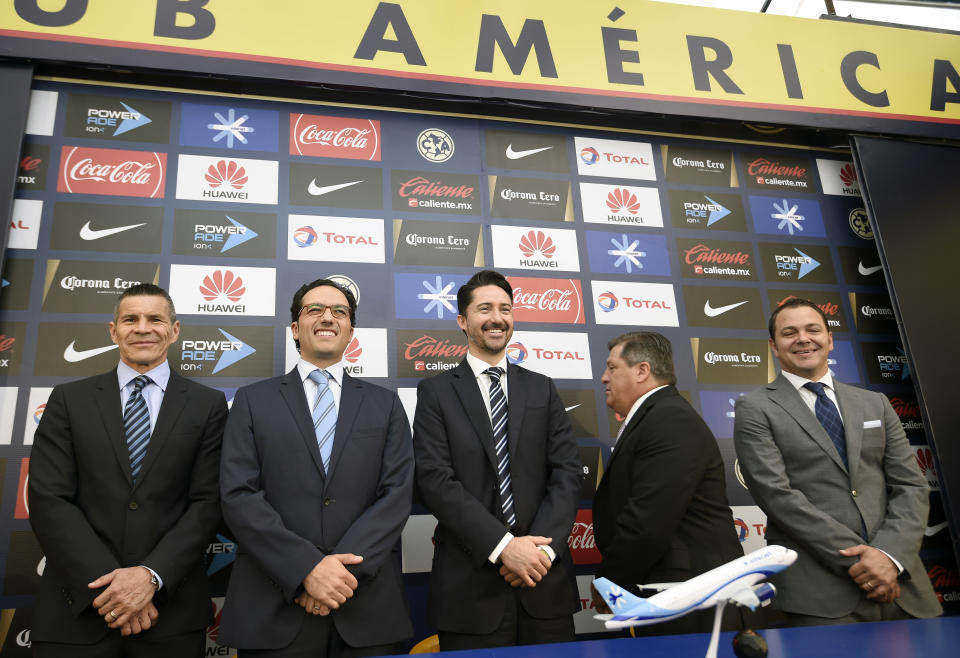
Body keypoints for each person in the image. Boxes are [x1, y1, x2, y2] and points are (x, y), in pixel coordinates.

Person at [28, 283, 228, 657]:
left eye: (155, 319)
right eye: (130, 319)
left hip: (170, 614)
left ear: (174, 329)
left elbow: (208, 503)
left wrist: (150, 577)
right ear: (113, 330)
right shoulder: (69, 400)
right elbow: (48, 498)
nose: (142, 328)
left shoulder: (209, 406)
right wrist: (112, 590)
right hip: (78, 611)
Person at [219, 278, 414, 657]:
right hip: (274, 607)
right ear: (295, 328)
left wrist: (338, 578)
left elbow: (397, 494)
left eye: (339, 311)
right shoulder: (251, 402)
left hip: (365, 608)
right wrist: (306, 570)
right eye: (315, 310)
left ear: (351, 331)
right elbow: (238, 495)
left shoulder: (385, 405)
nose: (328, 317)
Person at [733, 298, 941, 625]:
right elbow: (777, 497)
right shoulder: (755, 408)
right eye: (789, 333)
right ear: (774, 346)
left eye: (813, 329)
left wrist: (888, 556)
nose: (803, 339)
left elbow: (911, 485)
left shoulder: (875, 404)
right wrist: (864, 562)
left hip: (903, 585)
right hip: (819, 594)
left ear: (830, 339)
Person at [413, 269, 582, 650]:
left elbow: (568, 474)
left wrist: (539, 552)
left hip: (544, 584)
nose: (497, 318)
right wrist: (504, 546)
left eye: (505, 308)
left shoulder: (541, 387)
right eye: (484, 308)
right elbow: (435, 481)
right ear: (462, 320)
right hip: (470, 592)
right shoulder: (436, 393)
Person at [591, 331, 744, 635]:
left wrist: (610, 581)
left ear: (642, 371)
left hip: (690, 598)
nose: (604, 378)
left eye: (612, 367)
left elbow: (648, 519)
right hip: (671, 592)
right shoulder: (656, 417)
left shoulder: (669, 419)